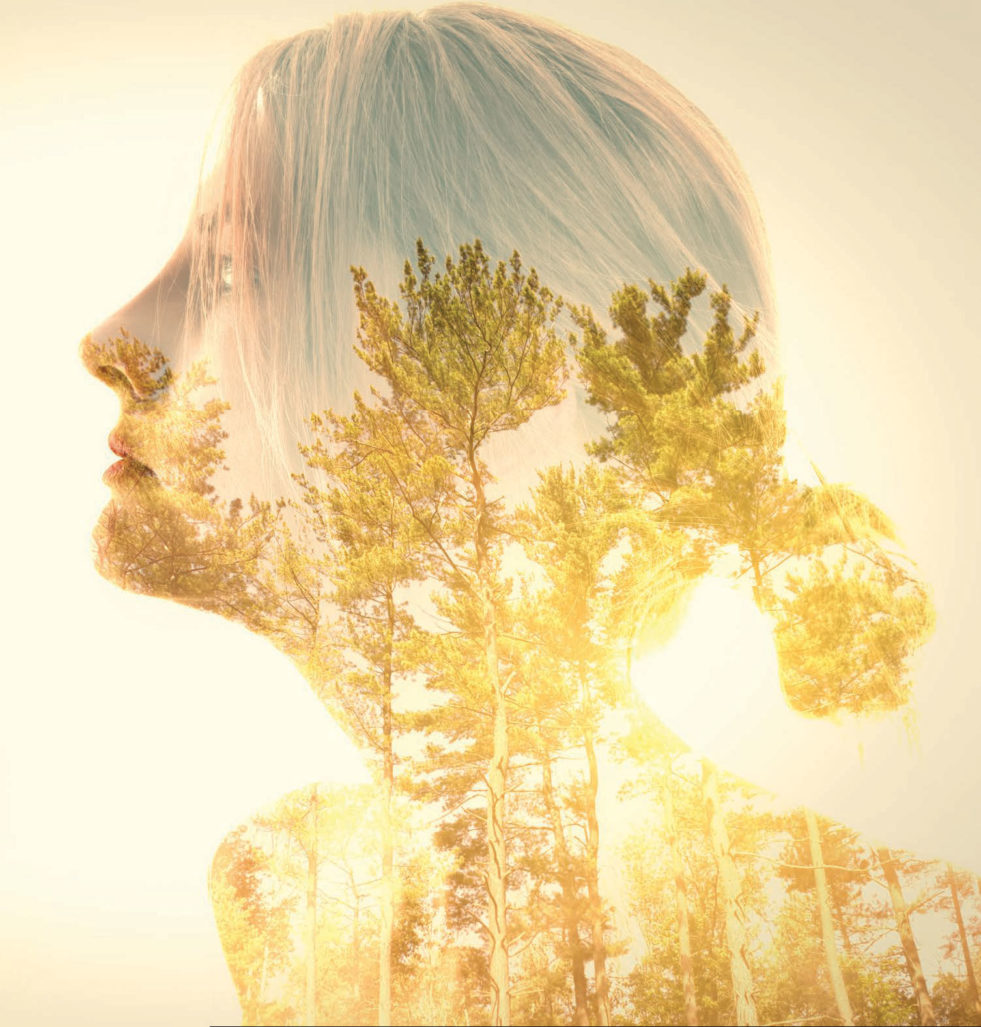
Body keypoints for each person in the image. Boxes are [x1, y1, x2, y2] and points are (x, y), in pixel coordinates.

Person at [70, 2, 958, 1022]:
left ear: (533, 383)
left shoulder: (917, 953)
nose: (112, 338)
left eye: (232, 269)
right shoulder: (288, 892)